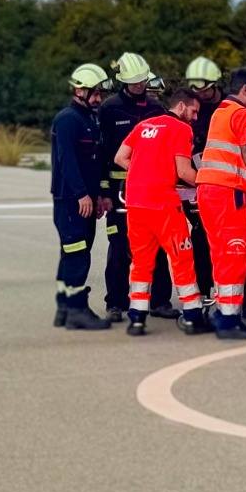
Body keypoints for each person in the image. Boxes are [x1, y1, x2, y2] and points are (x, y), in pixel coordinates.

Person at [113, 89, 212, 336]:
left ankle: (136, 317)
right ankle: (192, 316)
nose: (195, 117)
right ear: (181, 106)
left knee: (141, 262)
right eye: (193, 110)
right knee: (182, 258)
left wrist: (143, 172)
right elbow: (184, 171)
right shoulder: (181, 130)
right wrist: (209, 182)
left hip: (136, 204)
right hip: (163, 205)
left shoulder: (143, 126)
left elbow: (120, 157)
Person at [183, 55, 246, 319]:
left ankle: (222, 310)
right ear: (245, 90)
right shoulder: (243, 114)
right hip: (229, 192)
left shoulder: (220, 111)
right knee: (236, 255)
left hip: (208, 189)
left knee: (219, 254)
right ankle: (229, 318)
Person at [98, 52, 175, 323]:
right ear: (123, 81)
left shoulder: (156, 109)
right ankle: (116, 303)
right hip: (121, 190)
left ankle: (160, 301)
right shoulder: (109, 109)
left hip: (154, 190)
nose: (139, 86)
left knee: (161, 244)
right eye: (133, 82)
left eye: (142, 81)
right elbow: (103, 153)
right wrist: (104, 192)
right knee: (119, 246)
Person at [49, 63, 113, 331]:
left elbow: (96, 161)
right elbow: (68, 162)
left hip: (84, 198)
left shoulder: (90, 119)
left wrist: (99, 193)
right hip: (71, 201)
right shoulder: (68, 120)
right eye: (94, 92)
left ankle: (64, 307)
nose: (98, 98)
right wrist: (82, 195)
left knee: (71, 253)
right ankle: (76, 310)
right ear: (79, 90)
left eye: (100, 92)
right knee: (77, 254)